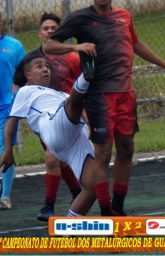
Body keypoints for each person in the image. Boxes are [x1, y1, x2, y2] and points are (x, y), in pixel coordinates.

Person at [44, 0, 165, 216]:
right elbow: (49, 46)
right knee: (103, 153)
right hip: (99, 96)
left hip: (126, 94)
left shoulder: (124, 16)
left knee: (127, 149)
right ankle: (105, 210)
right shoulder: (81, 18)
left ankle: (119, 208)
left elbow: (135, 42)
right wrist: (77, 47)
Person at [1, 55, 96, 217]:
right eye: (39, 66)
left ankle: (67, 230)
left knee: (94, 187)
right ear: (28, 75)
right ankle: (86, 75)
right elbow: (11, 122)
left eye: (47, 66)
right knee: (72, 101)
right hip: (54, 129)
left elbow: (82, 111)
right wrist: (8, 150)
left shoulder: (61, 94)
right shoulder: (25, 91)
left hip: (76, 139)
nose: (45, 69)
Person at [13, 12, 83, 221]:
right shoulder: (31, 60)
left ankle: (49, 206)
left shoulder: (72, 57)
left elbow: (85, 83)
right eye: (46, 29)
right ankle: (76, 194)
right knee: (58, 159)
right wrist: (22, 102)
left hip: (70, 117)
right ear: (39, 33)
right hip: (44, 120)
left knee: (54, 157)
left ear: (60, 32)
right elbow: (17, 84)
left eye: (54, 29)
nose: (50, 32)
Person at [0, 12, 26, 210]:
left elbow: (25, 73)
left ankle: (5, 196)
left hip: (7, 108)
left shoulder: (14, 46)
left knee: (5, 148)